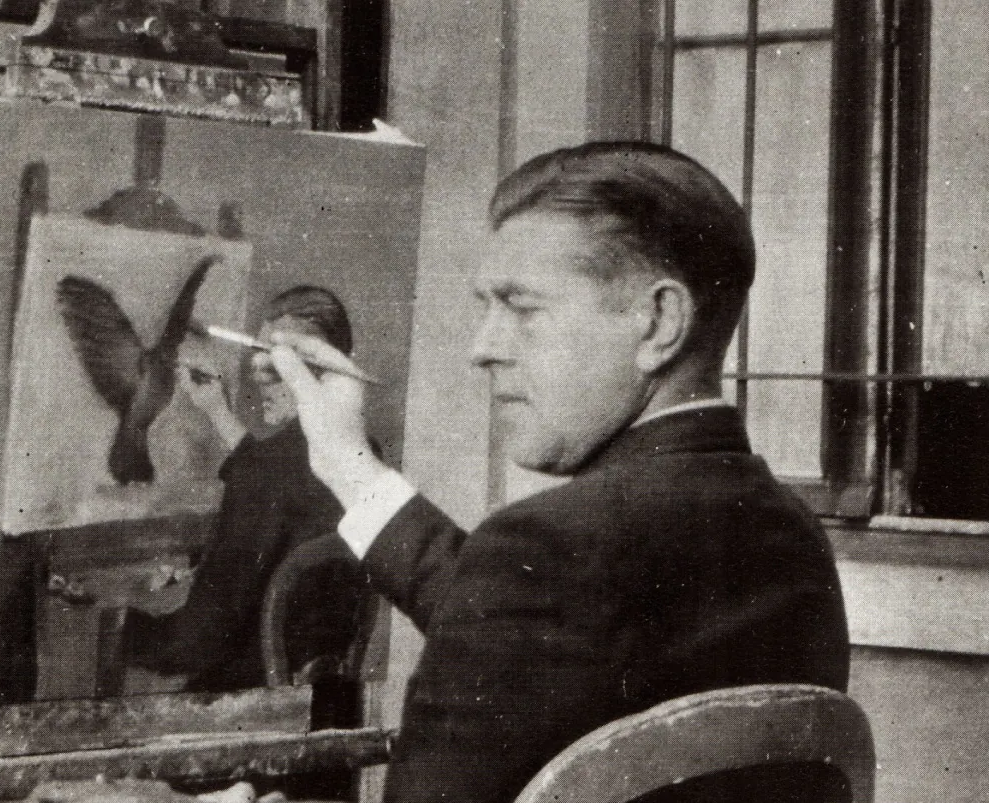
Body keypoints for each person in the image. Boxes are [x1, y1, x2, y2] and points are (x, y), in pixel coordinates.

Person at [263, 142, 850, 803]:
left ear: (659, 323)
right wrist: (348, 465)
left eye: (521, 307)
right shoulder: (788, 529)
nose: (482, 347)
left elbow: (530, 606)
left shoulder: (550, 551)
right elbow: (529, 628)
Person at [124, 286, 370, 694]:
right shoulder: (358, 452)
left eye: (275, 364)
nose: (258, 378)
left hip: (252, 698)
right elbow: (284, 480)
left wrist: (123, 627)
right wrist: (218, 411)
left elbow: (195, 643)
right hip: (327, 694)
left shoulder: (272, 471)